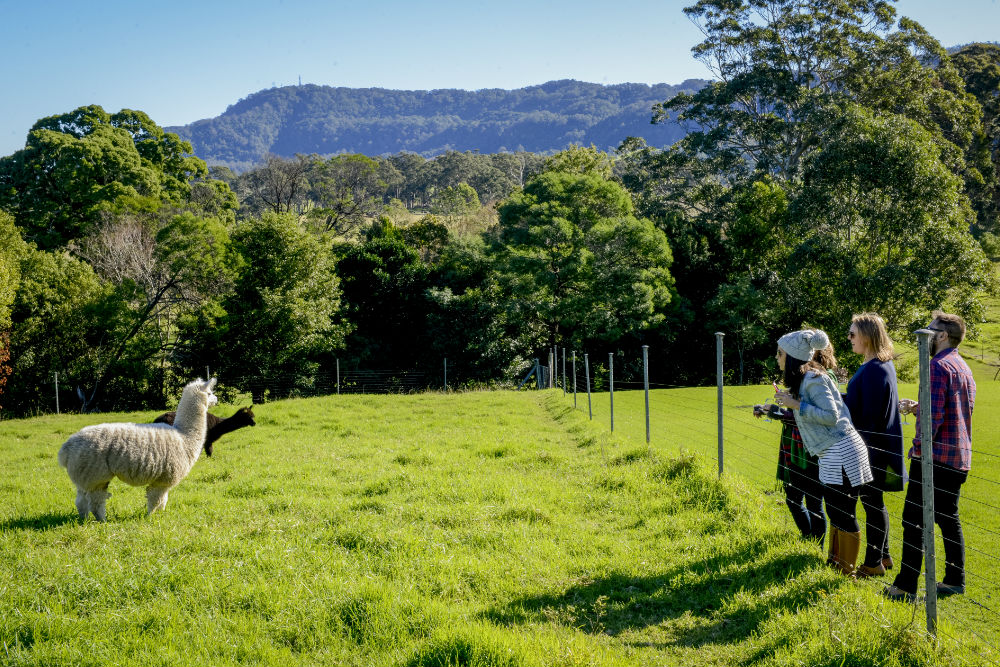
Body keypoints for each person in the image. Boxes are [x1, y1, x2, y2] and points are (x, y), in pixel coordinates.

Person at [884, 311, 976, 602]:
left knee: (913, 520)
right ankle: (954, 579)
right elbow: (949, 411)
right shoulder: (963, 366)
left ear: (943, 336)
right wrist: (917, 407)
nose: (925, 334)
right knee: (948, 517)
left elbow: (933, 420)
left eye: (930, 330)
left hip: (934, 459)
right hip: (958, 456)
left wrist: (917, 450)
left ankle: (905, 586)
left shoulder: (936, 366)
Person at [773, 329, 873, 576]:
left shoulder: (813, 380)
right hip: (830, 453)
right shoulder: (805, 380)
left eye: (780, 353)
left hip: (842, 451)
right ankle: (835, 563)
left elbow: (832, 416)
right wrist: (791, 401)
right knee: (835, 509)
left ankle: (845, 572)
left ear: (793, 357)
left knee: (844, 511)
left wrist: (797, 405)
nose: (777, 358)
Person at [844, 313, 905, 578]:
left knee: (872, 502)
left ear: (867, 336)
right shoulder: (880, 365)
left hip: (871, 446)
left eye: (853, 334)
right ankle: (885, 555)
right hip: (877, 444)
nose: (849, 339)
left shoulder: (874, 370)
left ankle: (872, 563)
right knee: (874, 501)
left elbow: (866, 414)